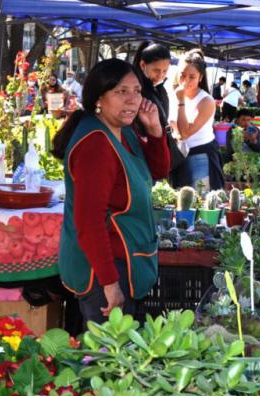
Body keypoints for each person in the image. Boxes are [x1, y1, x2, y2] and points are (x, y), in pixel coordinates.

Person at [51, 58, 170, 325]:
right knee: (106, 358)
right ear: (99, 98)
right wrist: (109, 283)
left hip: (123, 260)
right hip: (103, 271)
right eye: (121, 92)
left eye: (137, 91)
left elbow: (157, 172)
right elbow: (89, 222)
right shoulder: (96, 144)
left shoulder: (122, 131)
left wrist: (154, 130)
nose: (132, 100)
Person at [170, 49, 224, 190]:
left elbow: (184, 133)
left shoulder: (206, 101)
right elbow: (172, 126)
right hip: (179, 155)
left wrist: (181, 101)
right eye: (182, 75)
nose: (186, 80)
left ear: (200, 77)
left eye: (192, 77)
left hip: (201, 155)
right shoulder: (174, 94)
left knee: (202, 200)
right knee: (181, 201)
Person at [133, 42, 184, 184]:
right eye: (156, 70)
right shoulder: (138, 90)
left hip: (158, 150)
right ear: (143, 65)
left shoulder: (158, 88)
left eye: (165, 71)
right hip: (145, 154)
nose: (160, 75)